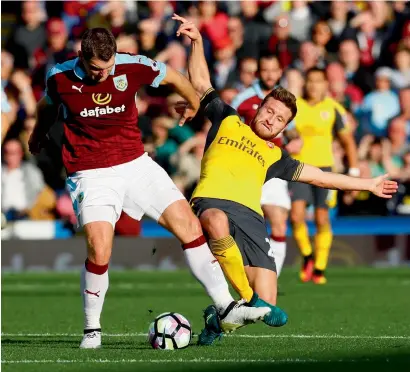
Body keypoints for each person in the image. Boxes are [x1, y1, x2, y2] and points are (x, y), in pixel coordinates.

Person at [28, 28, 270, 350]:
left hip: (135, 162)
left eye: (109, 66)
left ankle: (226, 307)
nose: (104, 74)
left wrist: (193, 105)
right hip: (90, 171)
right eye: (97, 69)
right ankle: (92, 330)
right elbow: (46, 106)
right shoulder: (59, 77)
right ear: (82, 59)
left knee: (188, 224)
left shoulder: (132, 66)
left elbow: (175, 78)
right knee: (100, 249)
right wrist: (37, 135)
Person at [173, 14, 397, 345]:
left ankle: (219, 319)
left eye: (279, 119)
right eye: (269, 111)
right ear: (258, 107)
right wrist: (197, 42)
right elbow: (202, 81)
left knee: (270, 308)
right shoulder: (228, 120)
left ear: (283, 128)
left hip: (250, 218)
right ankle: (248, 301)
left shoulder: (277, 156)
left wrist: (369, 184)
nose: (271, 119)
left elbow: (321, 177)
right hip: (211, 202)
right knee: (216, 222)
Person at [231, 53, 302, 278]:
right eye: (265, 70)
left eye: (274, 70)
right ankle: (242, 280)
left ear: (280, 72)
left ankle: (272, 280)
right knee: (246, 228)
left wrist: (295, 137)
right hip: (247, 169)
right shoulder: (242, 100)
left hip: (274, 168)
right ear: (258, 73)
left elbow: (292, 128)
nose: (270, 75)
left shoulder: (285, 100)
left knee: (279, 224)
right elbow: (229, 126)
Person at [289, 67, 359, 285]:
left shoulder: (333, 108)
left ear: (325, 84)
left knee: (321, 218)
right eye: (309, 80)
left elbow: (347, 141)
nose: (313, 85)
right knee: (296, 216)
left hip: (325, 169)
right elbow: (286, 130)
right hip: (298, 168)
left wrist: (354, 171)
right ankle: (308, 255)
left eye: (318, 81)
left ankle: (319, 267)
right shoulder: (295, 106)